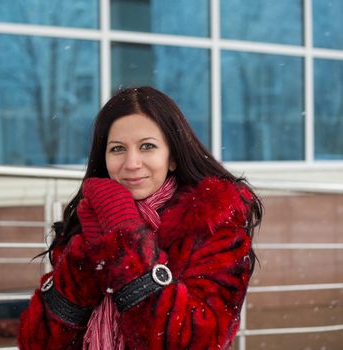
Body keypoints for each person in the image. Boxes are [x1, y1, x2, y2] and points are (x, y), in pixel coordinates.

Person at [18, 86, 263, 349]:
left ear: (172, 157)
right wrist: (84, 261)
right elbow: (37, 343)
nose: (132, 163)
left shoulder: (212, 225)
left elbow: (197, 341)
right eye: (117, 149)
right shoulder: (88, 221)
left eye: (147, 146)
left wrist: (124, 240)